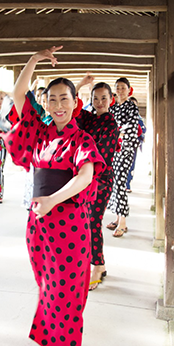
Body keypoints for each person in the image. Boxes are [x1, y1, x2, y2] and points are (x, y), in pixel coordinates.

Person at [3, 46, 105, 346]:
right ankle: (51, 335)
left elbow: (85, 175)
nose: (59, 105)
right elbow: (18, 92)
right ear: (45, 103)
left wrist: (52, 200)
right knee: (47, 286)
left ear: (75, 102)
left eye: (65, 99)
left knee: (66, 289)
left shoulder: (82, 138)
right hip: (39, 226)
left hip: (70, 226)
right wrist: (35, 57)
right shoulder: (38, 132)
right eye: (52, 99)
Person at [76, 82, 118, 290]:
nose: (100, 102)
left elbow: (99, 155)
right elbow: (71, 106)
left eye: (104, 98)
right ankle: (93, 262)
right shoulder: (88, 117)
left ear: (112, 99)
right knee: (84, 221)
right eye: (95, 98)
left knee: (93, 221)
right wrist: (81, 84)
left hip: (100, 180)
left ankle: (98, 265)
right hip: (83, 178)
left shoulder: (111, 125)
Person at [106, 77, 139, 237]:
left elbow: (131, 127)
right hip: (113, 149)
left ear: (129, 90)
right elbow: (108, 124)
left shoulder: (131, 106)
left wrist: (118, 132)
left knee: (120, 183)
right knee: (113, 183)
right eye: (117, 87)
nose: (120, 90)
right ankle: (118, 217)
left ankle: (123, 222)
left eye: (123, 88)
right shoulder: (112, 107)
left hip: (125, 149)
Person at [126, 97, 147, 192]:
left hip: (133, 145)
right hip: (122, 145)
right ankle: (124, 185)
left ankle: (127, 184)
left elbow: (144, 129)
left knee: (131, 165)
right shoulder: (123, 116)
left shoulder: (138, 117)